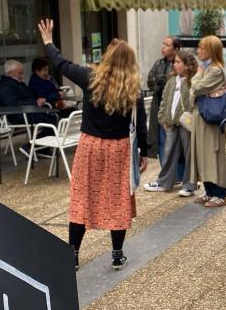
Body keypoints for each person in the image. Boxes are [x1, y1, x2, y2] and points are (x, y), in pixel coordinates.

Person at [37, 19, 148, 271]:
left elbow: (62, 64)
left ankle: (73, 254)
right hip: (119, 148)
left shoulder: (90, 78)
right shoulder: (133, 89)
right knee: (118, 198)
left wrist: (48, 42)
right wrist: (142, 152)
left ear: (107, 58)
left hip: (91, 147)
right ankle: (117, 253)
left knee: (83, 197)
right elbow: (141, 125)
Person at [143, 50, 198, 195]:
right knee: (168, 153)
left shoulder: (194, 81)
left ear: (187, 65)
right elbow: (165, 101)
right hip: (172, 122)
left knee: (189, 154)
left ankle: (190, 185)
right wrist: (162, 118)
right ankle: (164, 183)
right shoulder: (172, 80)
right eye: (175, 61)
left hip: (187, 123)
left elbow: (194, 103)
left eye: (178, 62)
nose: (175, 64)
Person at [189, 35, 226, 207]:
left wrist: (197, 76)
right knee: (202, 154)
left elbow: (196, 88)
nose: (198, 51)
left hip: (211, 119)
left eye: (202, 48)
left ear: (211, 50)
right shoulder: (208, 68)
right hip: (203, 118)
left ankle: (220, 194)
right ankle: (209, 191)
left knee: (212, 154)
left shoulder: (214, 70)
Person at [147, 36, 180, 164]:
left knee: (173, 141)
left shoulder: (180, 64)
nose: (163, 47)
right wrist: (157, 83)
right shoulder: (159, 63)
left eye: (167, 45)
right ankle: (165, 172)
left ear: (175, 49)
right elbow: (150, 81)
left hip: (173, 109)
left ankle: (176, 174)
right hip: (158, 107)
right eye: (163, 44)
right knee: (160, 140)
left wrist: (164, 81)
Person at [0, 59, 55, 126]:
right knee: (52, 121)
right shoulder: (4, 86)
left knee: (55, 118)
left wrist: (38, 101)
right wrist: (35, 102)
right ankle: (39, 136)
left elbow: (29, 96)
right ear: (10, 73)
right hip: (19, 115)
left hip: (28, 112)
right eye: (20, 73)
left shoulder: (17, 83)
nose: (22, 76)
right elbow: (13, 104)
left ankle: (39, 136)